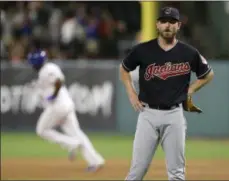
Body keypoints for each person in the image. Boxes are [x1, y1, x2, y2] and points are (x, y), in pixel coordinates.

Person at [119, 7, 214, 180]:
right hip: (147, 114)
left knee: (177, 173)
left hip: (174, 115)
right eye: (163, 21)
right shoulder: (142, 50)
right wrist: (131, 93)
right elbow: (123, 69)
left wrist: (190, 89)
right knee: (137, 171)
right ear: (157, 25)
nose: (167, 26)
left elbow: (208, 74)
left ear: (178, 26)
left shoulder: (189, 52)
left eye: (172, 22)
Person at [27, 50, 105, 171]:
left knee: (41, 130)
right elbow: (53, 83)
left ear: (36, 63)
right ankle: (95, 161)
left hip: (58, 107)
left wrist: (53, 95)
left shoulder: (47, 69)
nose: (31, 65)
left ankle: (72, 144)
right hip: (66, 105)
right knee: (78, 134)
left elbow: (58, 81)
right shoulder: (47, 69)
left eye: (32, 63)